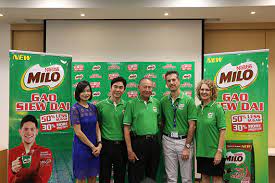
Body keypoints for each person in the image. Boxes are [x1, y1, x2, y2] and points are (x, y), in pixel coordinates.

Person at [160, 70, 197, 183]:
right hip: (168, 140)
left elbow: (192, 125)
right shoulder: (163, 101)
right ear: (166, 83)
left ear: (179, 81)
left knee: (186, 178)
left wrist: (187, 146)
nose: (171, 83)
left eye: (174, 80)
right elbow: (162, 122)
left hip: (184, 141)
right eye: (169, 81)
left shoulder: (188, 100)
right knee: (171, 177)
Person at [123, 78, 161, 183]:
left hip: (154, 143)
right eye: (145, 87)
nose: (147, 89)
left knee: (152, 174)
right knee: (136, 175)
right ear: (139, 88)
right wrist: (129, 150)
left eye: (150, 87)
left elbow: (159, 123)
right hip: (138, 143)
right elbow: (126, 128)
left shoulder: (157, 103)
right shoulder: (131, 104)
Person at [96, 77, 127, 183]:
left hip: (122, 145)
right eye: (115, 87)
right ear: (110, 88)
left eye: (121, 87)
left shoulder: (127, 105)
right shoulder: (100, 105)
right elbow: (97, 126)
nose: (118, 90)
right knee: (104, 176)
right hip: (105, 145)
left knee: (120, 176)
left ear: (124, 90)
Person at [70, 80, 102, 183]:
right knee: (81, 178)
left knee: (93, 176)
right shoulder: (75, 109)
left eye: (88, 91)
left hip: (95, 149)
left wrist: (99, 144)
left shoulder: (93, 107)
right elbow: (78, 132)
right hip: (82, 148)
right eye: (83, 91)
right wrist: (93, 147)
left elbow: (97, 127)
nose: (86, 93)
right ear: (78, 93)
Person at [196, 80, 226, 183]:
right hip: (201, 152)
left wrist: (219, 152)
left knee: (217, 178)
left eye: (207, 90)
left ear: (212, 92)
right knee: (204, 178)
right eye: (202, 89)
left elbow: (223, 131)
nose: (204, 92)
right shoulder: (197, 109)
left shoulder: (217, 108)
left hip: (215, 152)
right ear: (199, 91)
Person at [8, 114, 53, 183]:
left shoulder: (46, 152)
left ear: (37, 132)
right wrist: (12, 171)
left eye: (32, 129)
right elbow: (5, 179)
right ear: (20, 131)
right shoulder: (10, 153)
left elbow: (43, 179)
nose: (29, 133)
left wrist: (18, 177)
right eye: (26, 129)